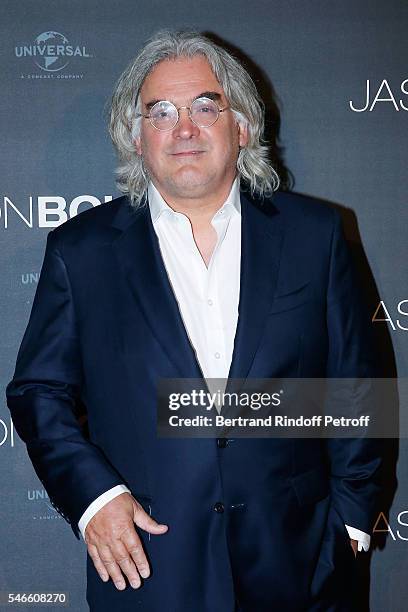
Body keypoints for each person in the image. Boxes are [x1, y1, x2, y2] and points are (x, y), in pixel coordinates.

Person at [6, 30, 382, 611]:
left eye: (206, 106)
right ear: (136, 138)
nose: (184, 128)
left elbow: (357, 388)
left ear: (243, 126)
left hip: (302, 568)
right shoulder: (81, 252)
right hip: (148, 569)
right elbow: (39, 391)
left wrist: (352, 526)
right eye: (160, 112)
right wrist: (94, 500)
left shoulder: (316, 236)